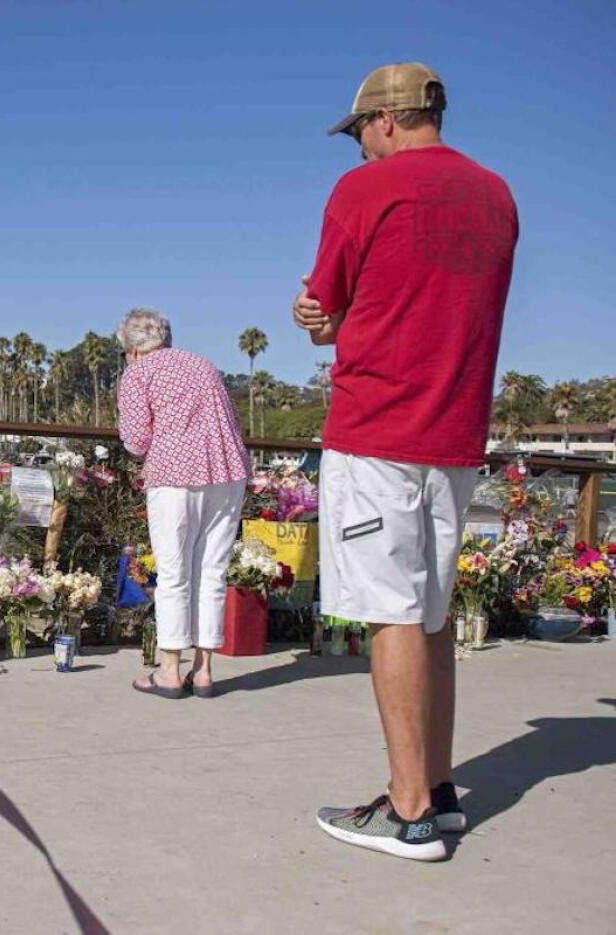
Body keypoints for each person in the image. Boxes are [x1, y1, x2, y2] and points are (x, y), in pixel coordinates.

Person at [292, 63, 518, 861]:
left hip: (378, 427)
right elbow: (427, 301)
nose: (357, 149)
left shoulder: (364, 192)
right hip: (455, 434)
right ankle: (441, 787)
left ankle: (409, 807)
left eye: (358, 134)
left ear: (385, 121)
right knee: (431, 614)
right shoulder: (497, 196)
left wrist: (316, 314)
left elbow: (328, 303)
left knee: (390, 610)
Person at [117, 308, 251, 699]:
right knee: (213, 572)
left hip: (174, 476)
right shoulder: (202, 364)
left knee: (174, 573)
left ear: (133, 349)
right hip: (228, 471)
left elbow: (137, 441)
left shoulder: (138, 373)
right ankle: (205, 670)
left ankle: (170, 671)